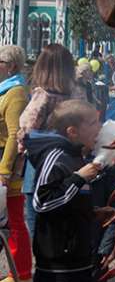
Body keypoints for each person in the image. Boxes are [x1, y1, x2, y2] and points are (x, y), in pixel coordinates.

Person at [24, 100, 104, 282]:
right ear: (72, 130)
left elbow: (69, 203)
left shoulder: (75, 154)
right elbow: (42, 202)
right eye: (92, 123)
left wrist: (93, 213)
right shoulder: (55, 156)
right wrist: (77, 178)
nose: (99, 128)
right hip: (57, 251)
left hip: (73, 249)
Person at [18, 44, 78, 243]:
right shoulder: (75, 94)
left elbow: (26, 129)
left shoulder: (42, 95)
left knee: (38, 226)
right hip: (69, 164)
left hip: (39, 166)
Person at [0, 46, 29, 282]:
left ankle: (21, 272)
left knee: (14, 221)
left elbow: (13, 135)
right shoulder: (5, 90)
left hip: (7, 170)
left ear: (10, 66)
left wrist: (5, 171)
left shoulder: (16, 92)